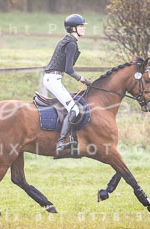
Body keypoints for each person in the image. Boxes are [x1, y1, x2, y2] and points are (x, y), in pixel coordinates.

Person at [43, 14, 91, 154]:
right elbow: (69, 69)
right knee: (74, 110)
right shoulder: (70, 44)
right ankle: (60, 142)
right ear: (73, 28)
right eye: (81, 26)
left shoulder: (69, 41)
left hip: (54, 78)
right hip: (52, 79)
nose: (84, 28)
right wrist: (82, 79)